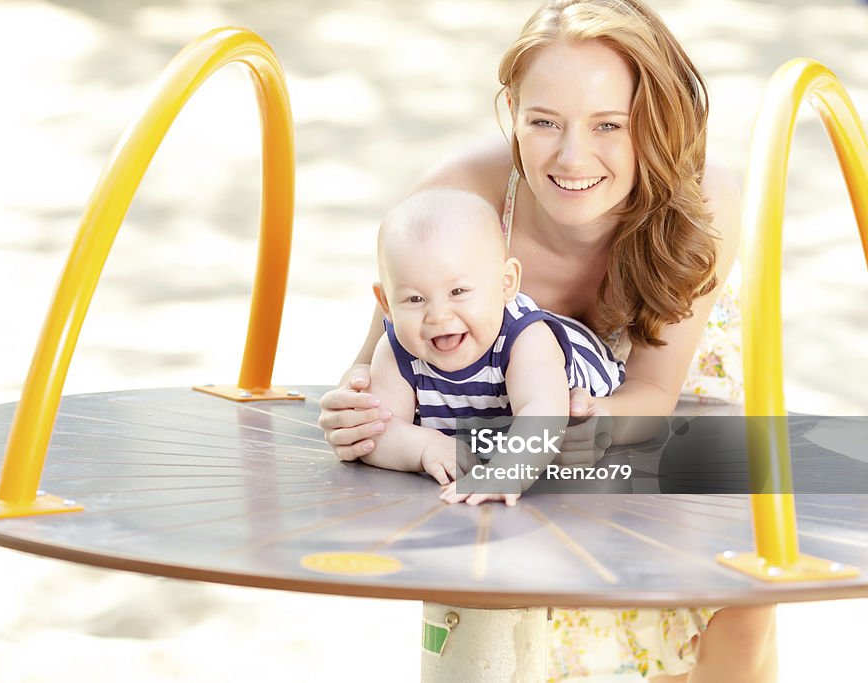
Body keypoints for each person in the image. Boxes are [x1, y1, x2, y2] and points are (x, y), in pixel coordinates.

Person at [318, 0, 776, 680]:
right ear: (511, 110)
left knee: (727, 594)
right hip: (497, 430)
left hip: (651, 408)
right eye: (544, 122)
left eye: (608, 125)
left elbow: (653, 391)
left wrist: (569, 424)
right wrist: (358, 409)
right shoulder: (459, 197)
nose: (571, 155)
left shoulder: (700, 201)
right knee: (516, 602)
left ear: (652, 121)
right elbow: (385, 362)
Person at [357, 187, 623, 505]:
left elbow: (543, 413)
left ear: (505, 283)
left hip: (580, 360)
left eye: (458, 291)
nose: (439, 316)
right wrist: (424, 446)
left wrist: (508, 470)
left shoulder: (525, 341)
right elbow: (375, 429)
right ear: (386, 302)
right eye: (415, 299)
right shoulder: (397, 348)